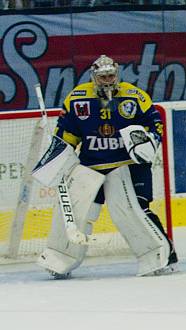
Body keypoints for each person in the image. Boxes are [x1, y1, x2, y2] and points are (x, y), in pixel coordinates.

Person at [36, 54, 177, 278]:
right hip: (91, 166)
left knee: (136, 210)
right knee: (77, 212)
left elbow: (155, 123)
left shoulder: (134, 96)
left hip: (128, 165)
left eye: (111, 75)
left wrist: (149, 141)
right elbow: (67, 134)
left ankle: (161, 256)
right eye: (102, 77)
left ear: (117, 74)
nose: (107, 80)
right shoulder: (77, 98)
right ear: (94, 77)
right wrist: (60, 155)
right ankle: (60, 260)